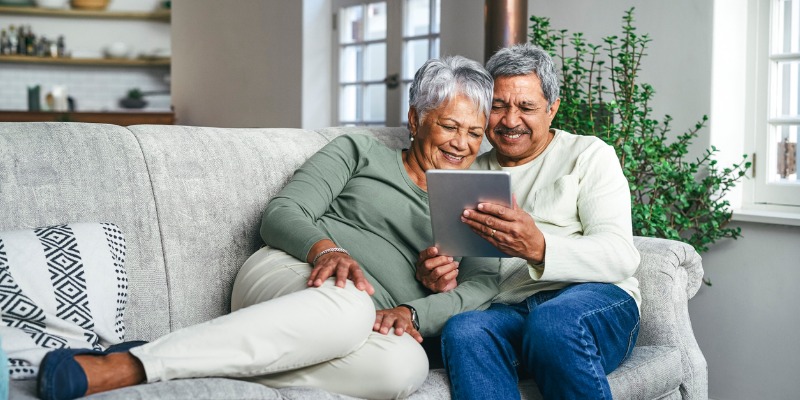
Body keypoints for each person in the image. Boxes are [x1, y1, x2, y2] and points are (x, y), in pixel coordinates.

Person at [36, 55, 499, 400]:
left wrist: (424, 306)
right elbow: (282, 212)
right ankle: (130, 366)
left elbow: (483, 286)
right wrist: (326, 250)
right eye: (449, 126)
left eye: (474, 133)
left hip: (370, 327)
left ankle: (190, 357)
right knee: (350, 308)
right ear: (417, 119)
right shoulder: (361, 152)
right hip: (294, 275)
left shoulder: (475, 194)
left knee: (403, 369)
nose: (462, 143)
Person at [416, 44, 641, 399]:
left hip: (591, 300)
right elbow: (461, 264)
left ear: (552, 109)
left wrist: (538, 248)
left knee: (551, 322)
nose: (510, 120)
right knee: (464, 329)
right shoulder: (466, 170)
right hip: (506, 310)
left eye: (526, 107)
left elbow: (621, 256)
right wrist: (439, 275)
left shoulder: (589, 154)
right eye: (499, 106)